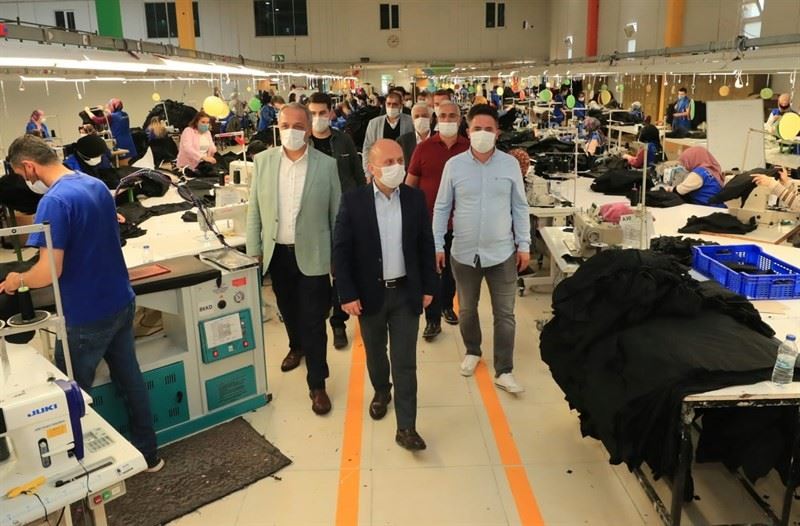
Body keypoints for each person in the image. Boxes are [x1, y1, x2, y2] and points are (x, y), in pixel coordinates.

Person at [0, 135, 163, 472]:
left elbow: (48, 271)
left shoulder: (54, 202)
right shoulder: (95, 185)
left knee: (70, 395)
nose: (23, 181)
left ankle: (80, 469)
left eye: (19, 174)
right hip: (120, 300)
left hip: (86, 315)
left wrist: (17, 280)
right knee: (130, 379)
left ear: (29, 166)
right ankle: (149, 455)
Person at [333, 139, 436, 451]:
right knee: (376, 352)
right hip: (369, 295)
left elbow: (425, 245)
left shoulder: (415, 199)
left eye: (400, 160)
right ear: (371, 168)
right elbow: (341, 250)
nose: (396, 167)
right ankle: (381, 389)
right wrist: (347, 293)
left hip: (406, 293)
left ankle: (406, 427)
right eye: (388, 162)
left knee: (405, 362)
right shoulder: (354, 201)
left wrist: (430, 287)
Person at [246, 103, 341, 415]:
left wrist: (337, 258)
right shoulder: (263, 162)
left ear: (309, 129)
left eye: (299, 126)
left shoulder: (326, 166)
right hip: (278, 255)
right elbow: (254, 210)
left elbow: (336, 215)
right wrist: (254, 251)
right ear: (277, 126)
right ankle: (295, 346)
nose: (291, 131)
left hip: (314, 254)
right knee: (287, 310)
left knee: (314, 320)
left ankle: (317, 383)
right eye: (286, 125)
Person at [432, 105, 531, 393]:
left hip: (502, 253)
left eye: (489, 129)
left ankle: (504, 369)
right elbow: (442, 207)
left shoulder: (509, 165)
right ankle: (472, 350)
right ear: (468, 131)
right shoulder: (454, 166)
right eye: (477, 129)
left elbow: (520, 207)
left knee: (505, 314)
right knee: (466, 309)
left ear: (497, 133)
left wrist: (524, 244)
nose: (483, 134)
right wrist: (437, 243)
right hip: (464, 253)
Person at [307, 92, 367, 350]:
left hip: (344, 212)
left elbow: (357, 174)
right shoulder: (303, 142)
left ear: (331, 112)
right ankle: (318, 316)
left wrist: (364, 206)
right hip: (314, 213)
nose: (317, 118)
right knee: (316, 268)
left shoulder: (343, 141)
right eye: (312, 113)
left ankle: (338, 321)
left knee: (341, 266)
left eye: (322, 112)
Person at [406, 100, 469, 340]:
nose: (448, 120)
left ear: (460, 120)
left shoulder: (469, 148)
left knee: (453, 270)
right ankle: (432, 319)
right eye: (443, 116)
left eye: (452, 116)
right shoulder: (423, 149)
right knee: (431, 270)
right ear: (436, 119)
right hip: (429, 222)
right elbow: (410, 185)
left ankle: (447, 306)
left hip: (461, 223)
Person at [362, 91, 414, 172]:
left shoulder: (410, 122)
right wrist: (367, 172)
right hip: (382, 168)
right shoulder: (374, 123)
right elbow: (367, 148)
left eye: (395, 104)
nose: (391, 107)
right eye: (389, 104)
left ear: (400, 105)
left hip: (403, 167)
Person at [177, 111, 218, 176]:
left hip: (205, 163)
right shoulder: (188, 131)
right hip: (190, 165)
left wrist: (211, 156)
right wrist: (203, 157)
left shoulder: (207, 133)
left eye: (207, 122)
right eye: (203, 122)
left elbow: (212, 147)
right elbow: (188, 148)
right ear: (196, 122)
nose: (205, 124)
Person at [397, 103, 432, 168]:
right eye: (417, 116)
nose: (420, 119)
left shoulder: (440, 138)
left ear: (431, 119)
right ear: (412, 121)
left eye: (424, 116)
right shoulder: (402, 141)